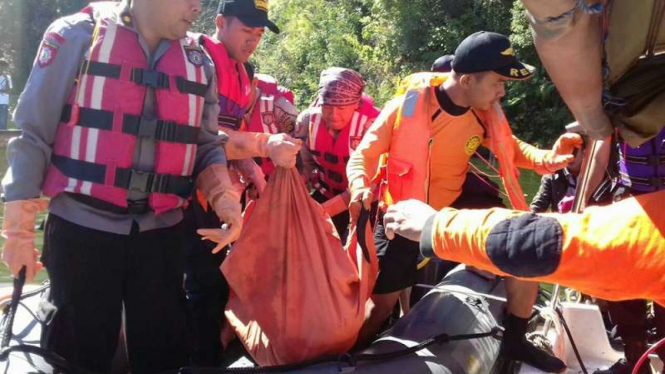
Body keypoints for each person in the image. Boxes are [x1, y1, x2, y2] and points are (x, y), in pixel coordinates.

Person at [0, 1, 242, 373]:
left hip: (161, 238)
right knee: (76, 356)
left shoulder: (198, 61)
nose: (198, 5)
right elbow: (34, 135)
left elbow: (207, 146)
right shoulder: (75, 37)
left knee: (163, 356)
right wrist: (17, 232)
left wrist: (224, 198)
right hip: (81, 233)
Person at [347, 31, 583, 372]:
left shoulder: (481, 113)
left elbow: (516, 152)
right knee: (380, 307)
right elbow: (363, 156)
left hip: (449, 212)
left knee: (523, 248)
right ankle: (351, 359)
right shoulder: (406, 107)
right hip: (402, 217)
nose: (502, 91)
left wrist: (553, 157)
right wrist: (359, 186)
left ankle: (515, 340)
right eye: (498, 82)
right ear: (469, 80)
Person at [184, 0, 301, 365]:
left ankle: (207, 356)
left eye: (259, 34)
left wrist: (250, 166)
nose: (253, 40)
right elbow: (199, 134)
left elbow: (228, 137)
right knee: (201, 285)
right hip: (183, 197)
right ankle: (197, 361)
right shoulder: (198, 60)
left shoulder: (242, 72)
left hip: (215, 197)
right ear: (220, 22)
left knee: (214, 284)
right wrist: (264, 145)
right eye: (246, 31)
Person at [295, 67, 380, 239]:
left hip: (364, 200)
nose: (333, 115)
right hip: (326, 191)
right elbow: (303, 166)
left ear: (356, 104)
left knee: (358, 253)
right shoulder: (307, 121)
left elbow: (370, 183)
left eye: (341, 108)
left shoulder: (373, 126)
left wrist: (322, 212)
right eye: (327, 107)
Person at [530, 123, 586, 213]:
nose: (570, 156)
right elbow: (539, 204)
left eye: (574, 151)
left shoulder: (594, 173)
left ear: (584, 152)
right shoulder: (552, 174)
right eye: (567, 150)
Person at [0, 60, 12, 130]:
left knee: (3, 121)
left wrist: (6, 79)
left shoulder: (8, 77)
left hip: (4, 102)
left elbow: (8, 90)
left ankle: (3, 139)